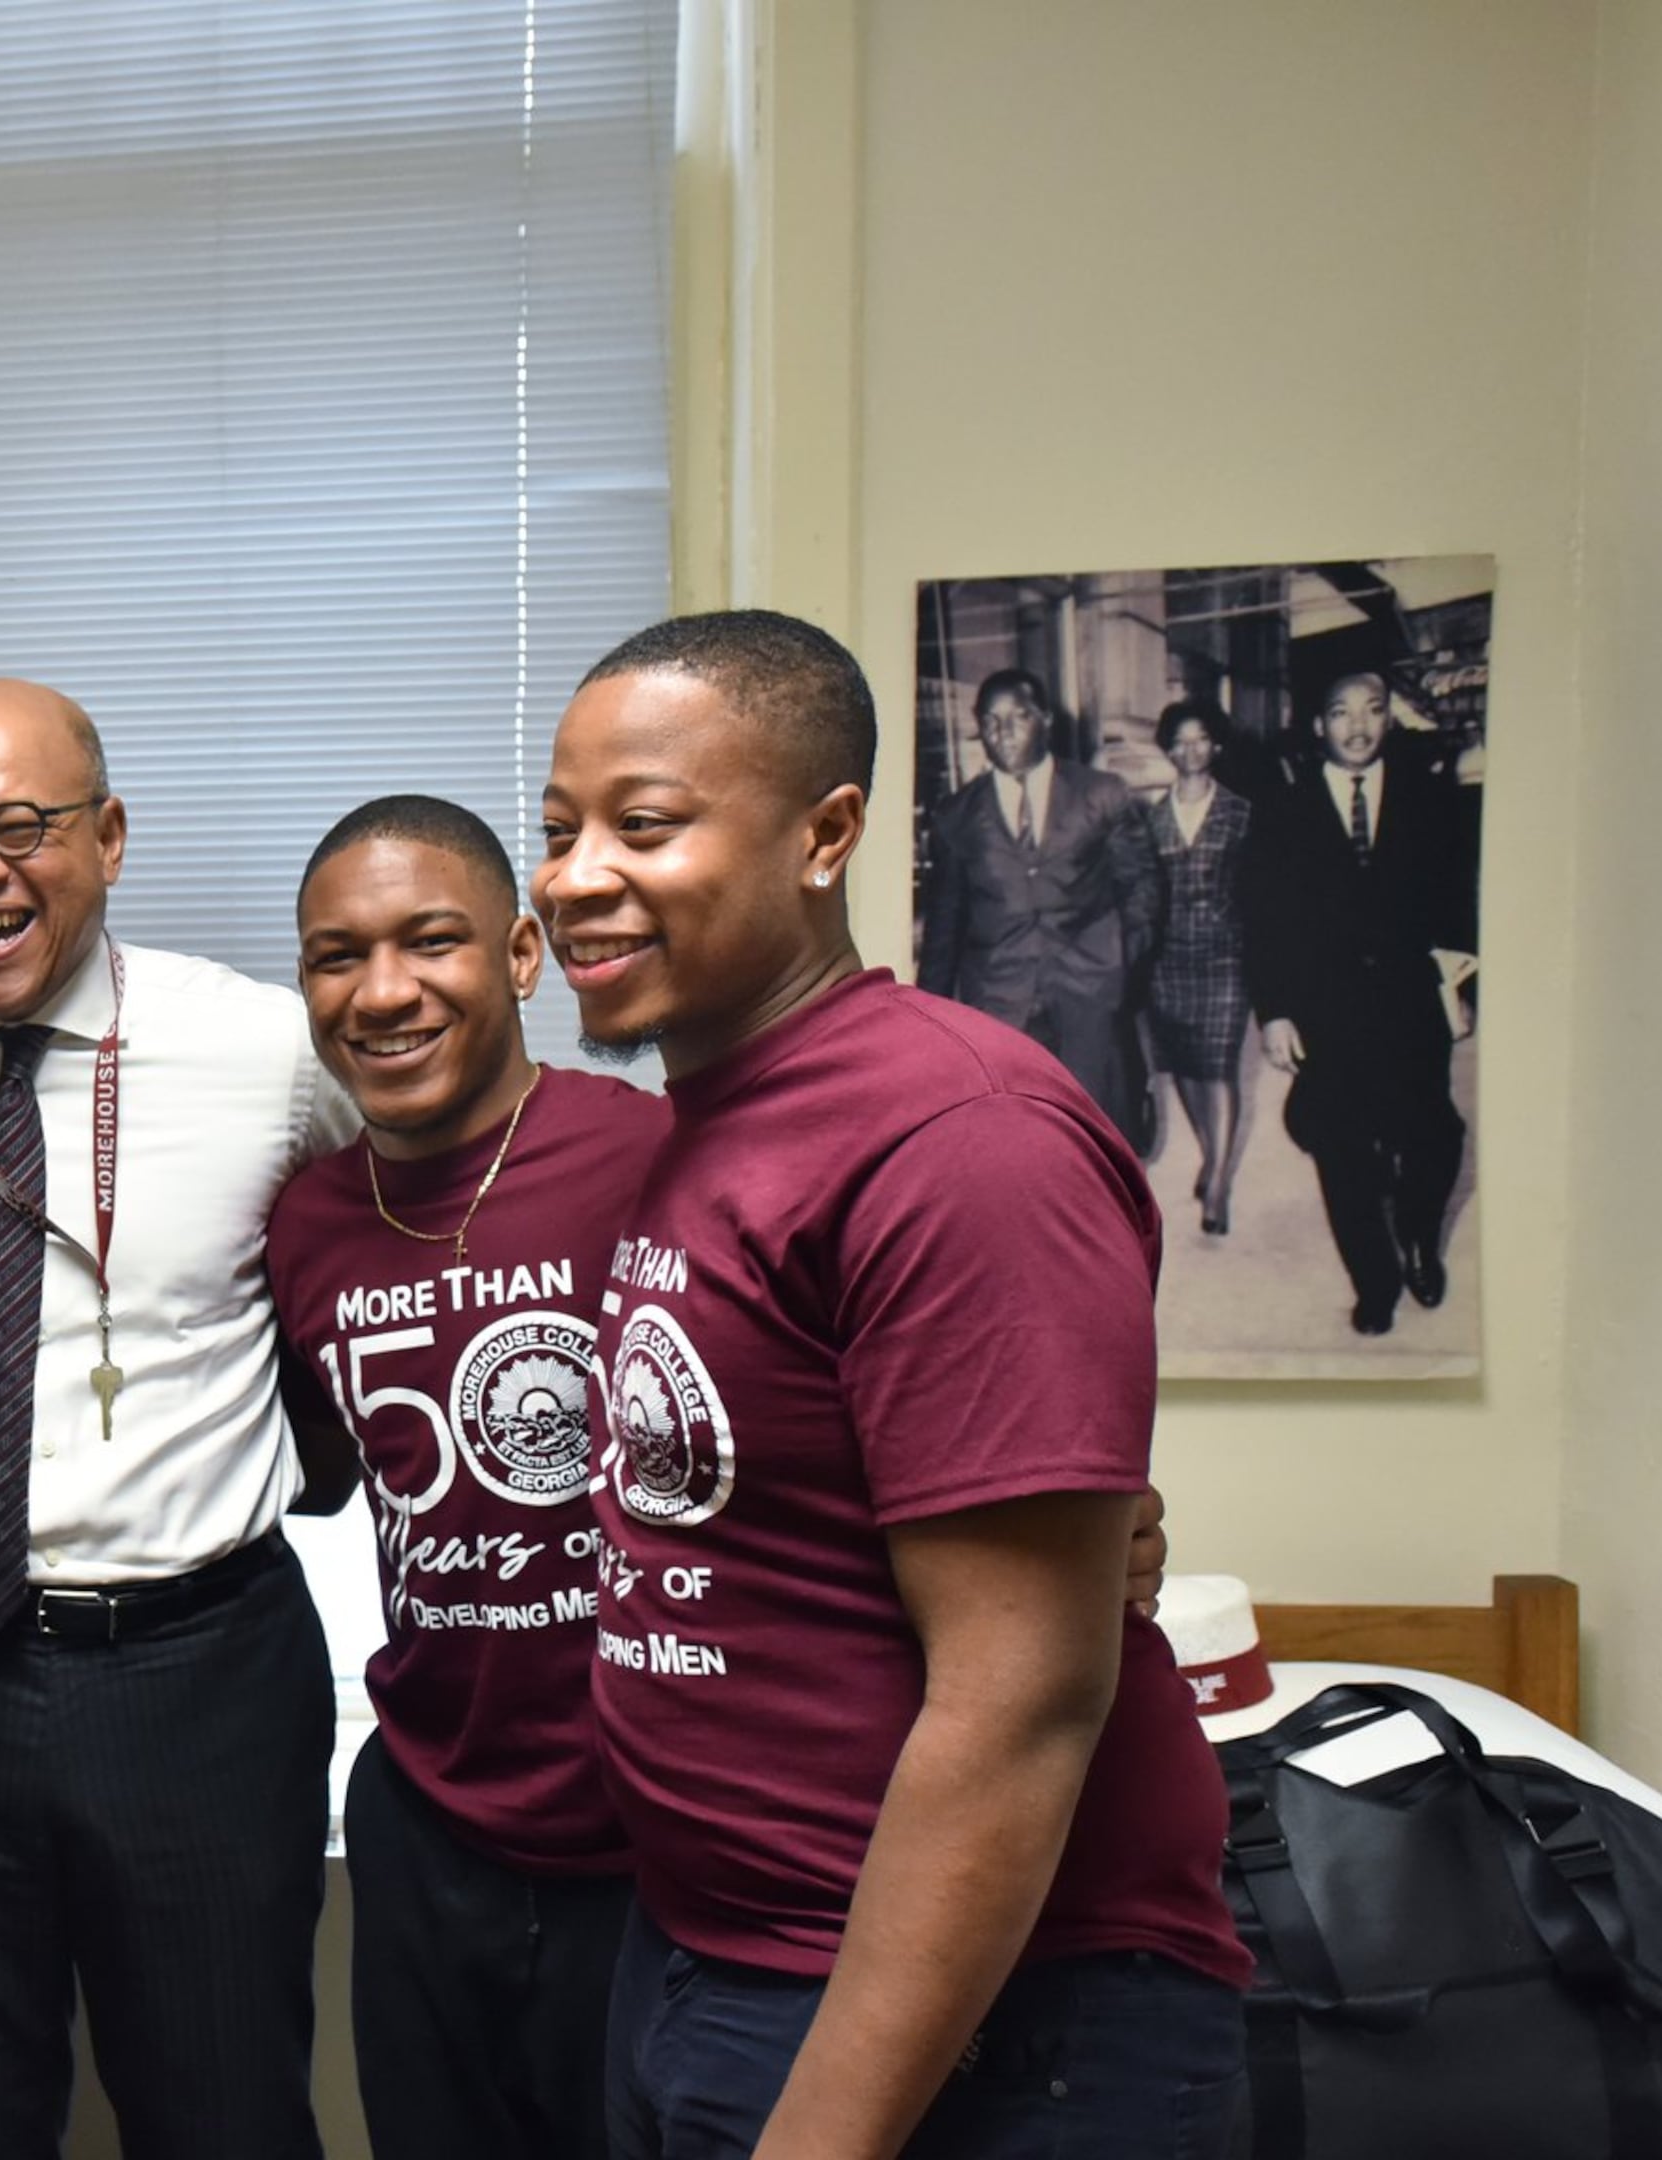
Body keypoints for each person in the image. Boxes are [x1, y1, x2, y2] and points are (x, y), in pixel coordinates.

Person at [534, 611, 1249, 2157]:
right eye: (559, 827)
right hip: (715, 1955)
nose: (574, 874)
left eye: (643, 826)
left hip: (986, 2019)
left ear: (826, 833)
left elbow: (1022, 1700)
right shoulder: (716, 1124)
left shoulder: (959, 1137)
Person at [0, 677, 357, 2159]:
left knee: (220, 2110)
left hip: (198, 1672)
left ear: (107, 837)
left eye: (17, 827)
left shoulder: (270, 1055)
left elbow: (402, 1221)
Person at [260, 795, 663, 2160]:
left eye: (429, 940)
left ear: (522, 956)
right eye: (335, 956)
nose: (381, 992)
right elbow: (323, 1474)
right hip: (431, 1819)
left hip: (652, 1832)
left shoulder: (658, 1159)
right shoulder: (306, 1225)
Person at [1240, 670, 1479, 1336]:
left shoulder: (1430, 800)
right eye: (1341, 712)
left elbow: (1461, 898)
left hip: (1411, 1003)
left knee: (1433, 1137)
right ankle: (1375, 1281)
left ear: (1389, 721)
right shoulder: (1282, 810)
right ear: (1319, 725)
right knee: (1344, 1152)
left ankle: (1420, 1240)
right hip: (1327, 1011)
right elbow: (1261, 921)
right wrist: (1276, 1012)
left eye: (1373, 710)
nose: (1358, 725)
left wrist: (1461, 985)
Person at [916, 668, 1157, 1130]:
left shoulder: (1102, 794)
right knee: (1016, 1137)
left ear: (1046, 719)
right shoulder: (955, 815)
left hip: (1090, 993)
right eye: (990, 720)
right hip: (999, 1002)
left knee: (1102, 1130)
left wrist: (1122, 967)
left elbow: (1142, 889)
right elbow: (945, 927)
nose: (1003, 732)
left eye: (1018, 717)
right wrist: (931, 1018)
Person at [1139, 701, 1258, 1235]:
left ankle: (1218, 1186)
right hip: (1167, 962)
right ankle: (1213, 1152)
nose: (1191, 750)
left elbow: (1263, 891)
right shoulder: (1150, 818)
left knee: (1219, 1066)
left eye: (1201, 739)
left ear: (1216, 745)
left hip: (1225, 957)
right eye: (1180, 741)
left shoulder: (1241, 813)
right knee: (1184, 1065)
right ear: (1168, 749)